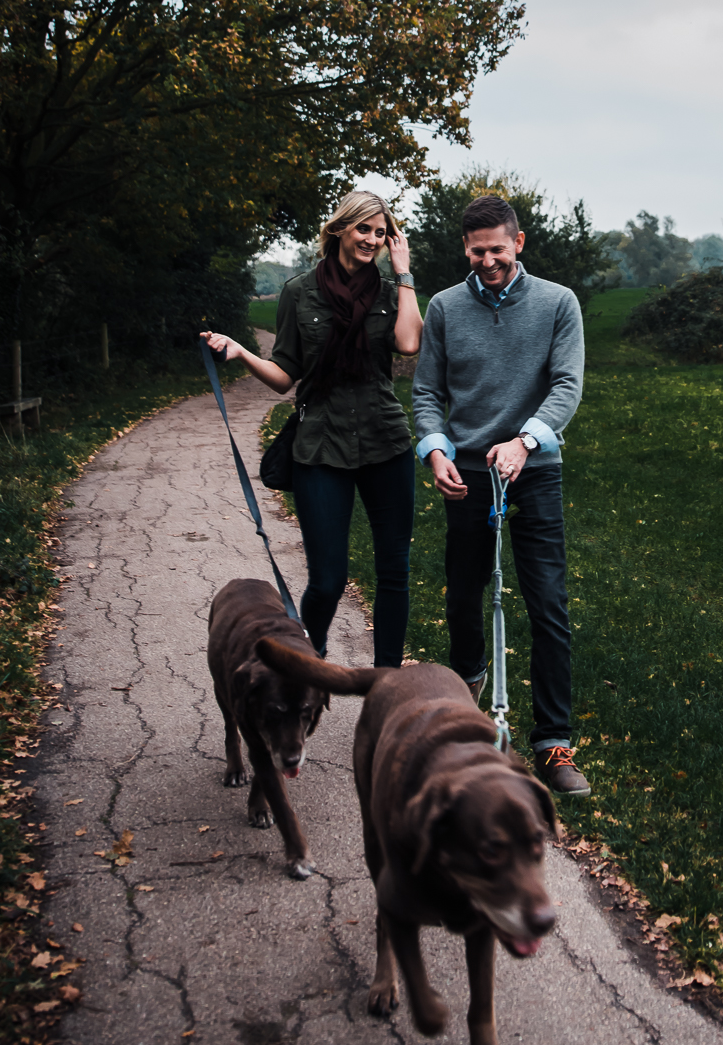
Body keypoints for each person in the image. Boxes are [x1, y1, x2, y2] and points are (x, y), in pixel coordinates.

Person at [412, 193, 590, 796]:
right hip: (465, 467)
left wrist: (526, 442)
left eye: (496, 248)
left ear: (518, 242)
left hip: (534, 466)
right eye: (475, 250)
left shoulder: (558, 303)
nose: (486, 259)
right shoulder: (443, 308)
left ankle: (553, 742)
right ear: (465, 249)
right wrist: (435, 449)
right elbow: (427, 392)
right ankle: (466, 712)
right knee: (463, 595)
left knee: (548, 602)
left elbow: (567, 386)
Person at [201, 190, 422, 667]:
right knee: (327, 578)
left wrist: (403, 273)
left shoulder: (389, 292)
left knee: (394, 571)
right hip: (320, 446)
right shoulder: (299, 292)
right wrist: (242, 352)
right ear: (339, 229)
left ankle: (385, 684)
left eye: (381, 232)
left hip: (387, 441)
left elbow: (407, 343)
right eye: (363, 228)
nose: (372, 239)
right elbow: (285, 375)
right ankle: (311, 659)